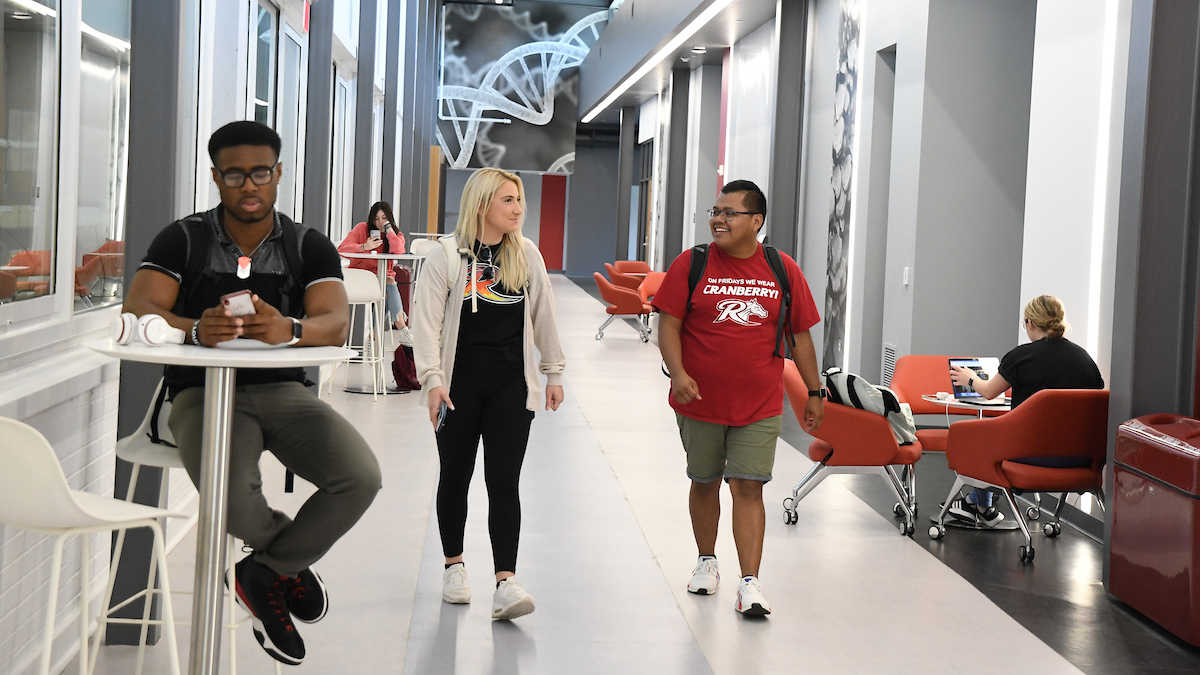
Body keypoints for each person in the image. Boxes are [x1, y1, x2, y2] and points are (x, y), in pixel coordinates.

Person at [122, 121, 382, 666]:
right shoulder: (185, 237)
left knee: (359, 477)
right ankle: (283, 565)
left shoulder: (306, 244)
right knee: (233, 505)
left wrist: (287, 328)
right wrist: (195, 329)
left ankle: (262, 572)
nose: (249, 186)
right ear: (215, 177)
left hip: (283, 392)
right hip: (201, 393)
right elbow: (139, 309)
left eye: (260, 173)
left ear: (278, 174)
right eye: (234, 174)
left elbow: (334, 323)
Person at [653, 179, 823, 617]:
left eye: (730, 213)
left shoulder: (781, 268)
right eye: (715, 210)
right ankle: (706, 561)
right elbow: (668, 325)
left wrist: (816, 391)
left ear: (756, 221)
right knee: (704, 480)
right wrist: (679, 374)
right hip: (699, 399)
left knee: (749, 486)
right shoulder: (692, 263)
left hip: (759, 403)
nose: (718, 219)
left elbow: (800, 337)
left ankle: (750, 583)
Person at [412, 167, 565, 621]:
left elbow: (544, 317)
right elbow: (426, 323)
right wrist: (432, 380)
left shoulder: (526, 255)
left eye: (519, 200)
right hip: (457, 388)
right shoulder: (446, 256)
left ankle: (505, 581)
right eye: (509, 200)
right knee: (455, 476)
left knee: (504, 482)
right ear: (482, 205)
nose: (519, 209)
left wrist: (553, 372)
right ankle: (454, 566)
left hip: (510, 387)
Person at [947, 295, 1104, 527]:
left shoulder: (1021, 356)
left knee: (978, 438)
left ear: (1030, 322)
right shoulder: (1084, 359)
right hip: (1081, 458)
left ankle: (980, 505)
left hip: (1030, 454)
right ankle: (975, 503)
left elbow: (989, 391)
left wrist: (970, 379)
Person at [337, 201, 415, 346]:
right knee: (388, 285)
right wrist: (363, 246)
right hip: (363, 279)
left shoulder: (395, 234)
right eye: (377, 219)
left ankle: (373, 337)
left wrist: (389, 231)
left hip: (381, 281)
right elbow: (341, 249)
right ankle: (402, 329)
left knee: (387, 285)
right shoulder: (362, 229)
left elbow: (399, 250)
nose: (380, 222)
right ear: (371, 219)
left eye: (384, 218)